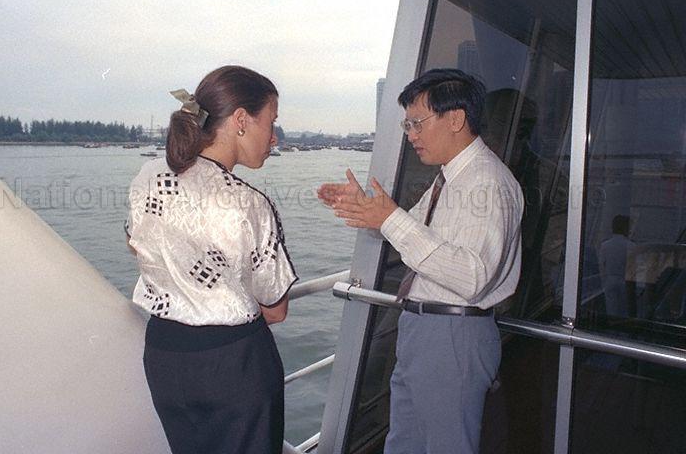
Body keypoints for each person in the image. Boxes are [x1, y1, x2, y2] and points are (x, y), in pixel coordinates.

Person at [318, 68, 523, 454]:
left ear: (456, 119)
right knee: (405, 442)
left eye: (417, 123)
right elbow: (411, 229)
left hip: (453, 332)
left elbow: (471, 276)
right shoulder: (451, 177)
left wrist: (390, 218)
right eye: (407, 124)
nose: (410, 134)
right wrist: (368, 211)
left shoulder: (488, 182)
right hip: (425, 327)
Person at [125, 65, 297, 454]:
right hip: (233, 367)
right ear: (240, 120)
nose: (273, 139)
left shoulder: (149, 177)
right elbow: (276, 308)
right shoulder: (249, 203)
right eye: (270, 123)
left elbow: (135, 243)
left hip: (165, 357)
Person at [599, 215, 634, 317]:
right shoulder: (631, 246)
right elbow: (633, 268)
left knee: (611, 309)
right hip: (625, 281)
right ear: (626, 228)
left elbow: (601, 265)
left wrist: (604, 280)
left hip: (609, 279)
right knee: (624, 310)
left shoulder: (605, 245)